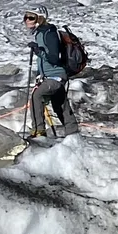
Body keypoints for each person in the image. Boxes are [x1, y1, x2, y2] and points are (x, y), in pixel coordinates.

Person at [22, 10, 77, 138]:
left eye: (31, 17)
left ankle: (39, 131)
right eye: (26, 17)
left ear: (40, 18)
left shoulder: (49, 33)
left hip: (56, 76)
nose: (27, 20)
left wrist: (38, 51)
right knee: (60, 105)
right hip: (53, 75)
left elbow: (53, 58)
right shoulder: (43, 33)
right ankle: (73, 133)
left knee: (37, 95)